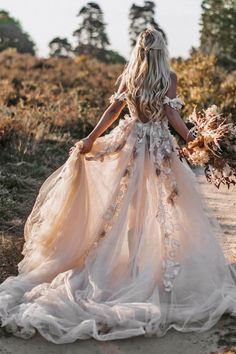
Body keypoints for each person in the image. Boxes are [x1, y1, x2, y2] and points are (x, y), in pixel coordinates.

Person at [0, 27, 235, 344]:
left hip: (134, 144)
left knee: (129, 208)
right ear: (161, 50)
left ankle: (135, 266)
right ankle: (148, 268)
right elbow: (171, 116)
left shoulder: (131, 77)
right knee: (167, 206)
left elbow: (112, 112)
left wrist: (91, 138)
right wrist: (195, 141)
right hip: (159, 148)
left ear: (139, 50)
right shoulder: (169, 77)